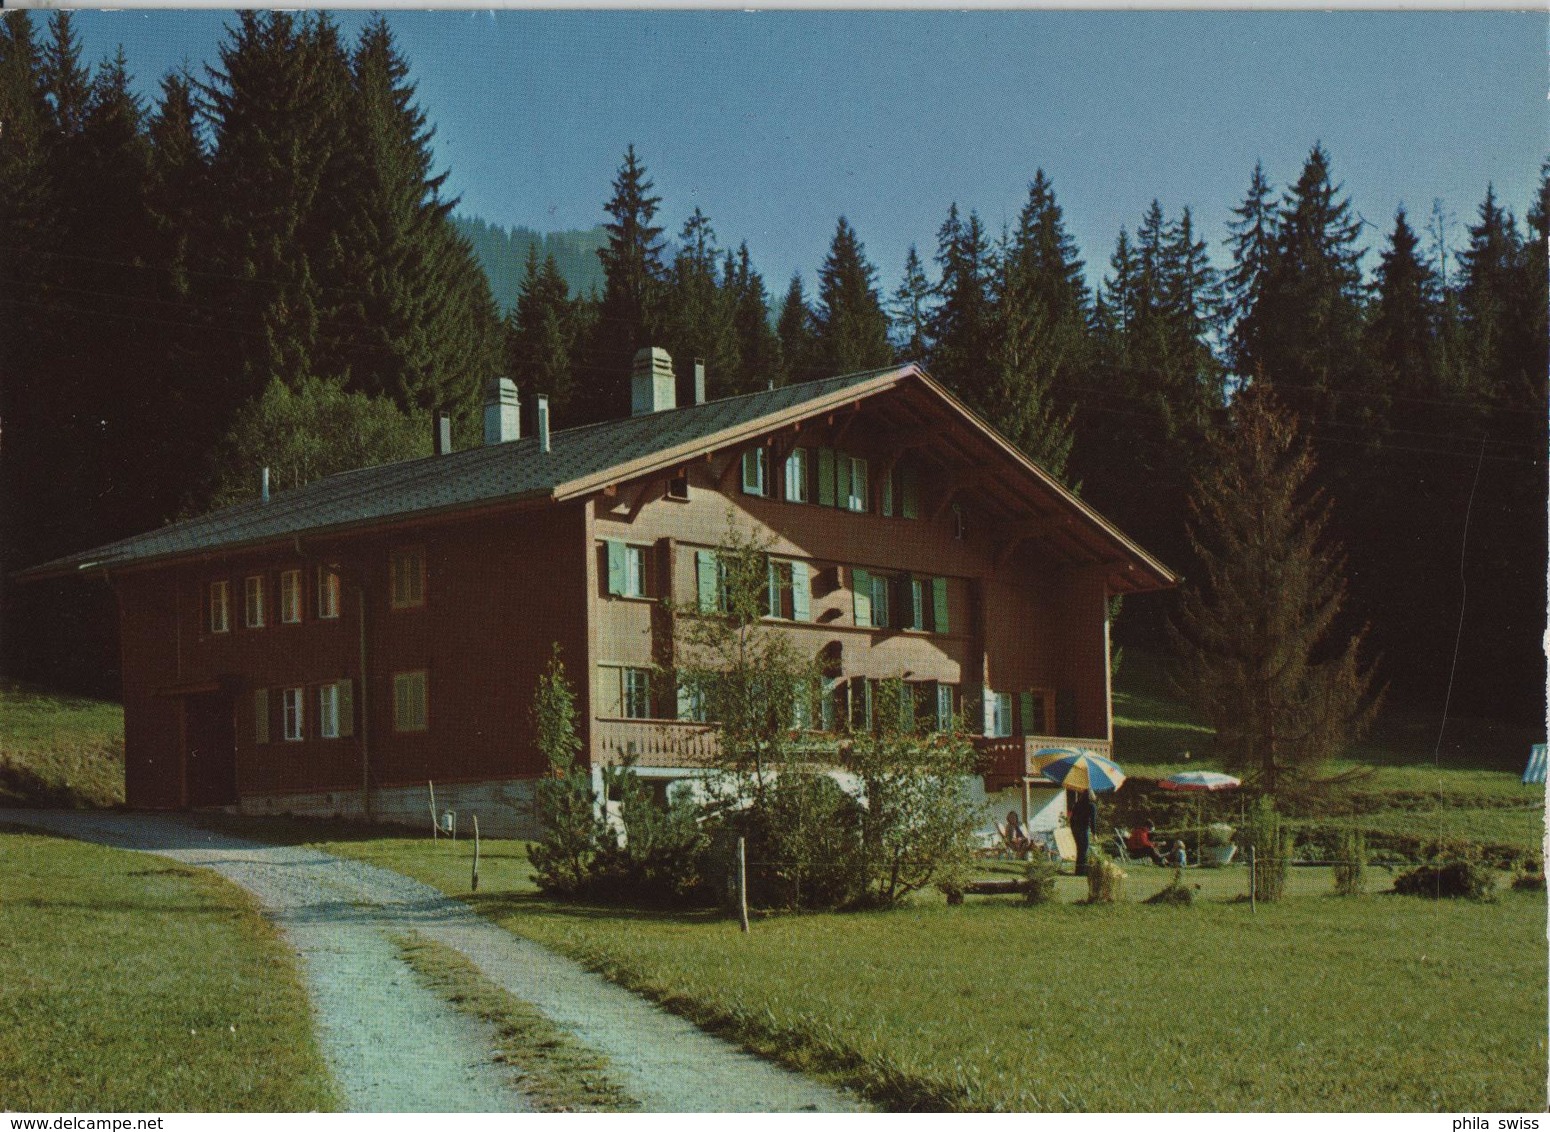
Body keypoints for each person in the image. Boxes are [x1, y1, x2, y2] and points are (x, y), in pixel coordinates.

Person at [1067, 788, 1097, 874]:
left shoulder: (1077, 804)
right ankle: (1082, 870)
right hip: (1083, 829)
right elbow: (1092, 821)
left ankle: (1078, 870)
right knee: (1084, 850)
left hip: (1076, 829)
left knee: (1079, 850)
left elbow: (1072, 818)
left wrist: (1073, 828)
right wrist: (1094, 833)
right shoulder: (1092, 806)